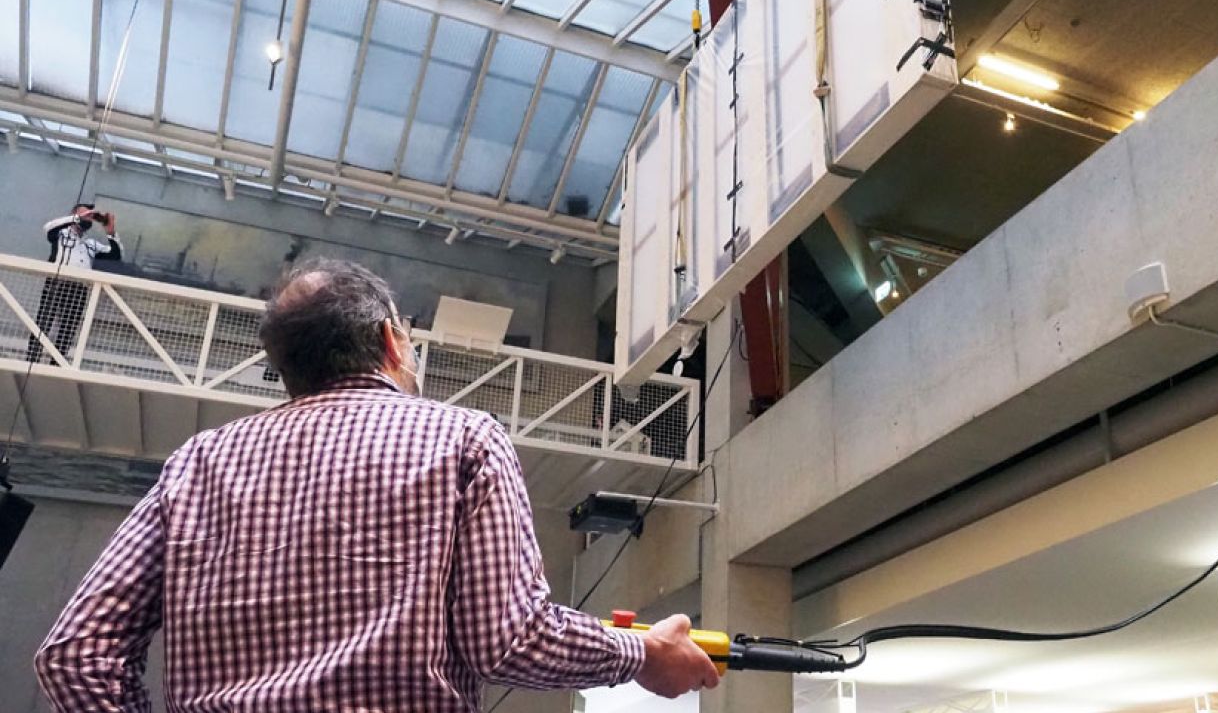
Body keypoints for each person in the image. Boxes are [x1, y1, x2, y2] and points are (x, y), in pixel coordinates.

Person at [35, 258, 719, 711]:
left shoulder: (197, 462)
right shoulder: (460, 437)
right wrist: (643, 654)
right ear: (393, 342)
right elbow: (510, 637)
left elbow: (74, 655)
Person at [26, 203, 122, 364]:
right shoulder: (61, 234)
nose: (88, 218)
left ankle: (57, 364)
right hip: (58, 283)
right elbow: (48, 228)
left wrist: (110, 232)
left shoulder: (89, 243)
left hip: (78, 289)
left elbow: (115, 254)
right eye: (85, 214)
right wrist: (77, 218)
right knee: (44, 322)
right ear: (73, 215)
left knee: (68, 328)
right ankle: (32, 359)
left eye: (90, 216)